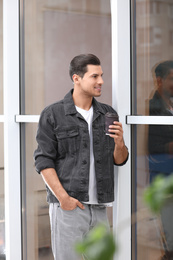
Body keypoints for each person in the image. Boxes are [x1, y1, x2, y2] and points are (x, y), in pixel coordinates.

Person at [34, 54, 129, 260]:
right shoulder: (53, 114)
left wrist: (120, 143)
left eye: (101, 75)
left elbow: (119, 160)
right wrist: (63, 199)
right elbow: (43, 161)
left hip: (100, 208)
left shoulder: (107, 113)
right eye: (94, 76)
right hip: (68, 207)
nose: (101, 81)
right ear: (76, 78)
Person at [148, 60, 173, 259]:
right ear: (159, 81)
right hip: (163, 178)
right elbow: (148, 146)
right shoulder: (152, 108)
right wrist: (169, 147)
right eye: (172, 78)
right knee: (170, 233)